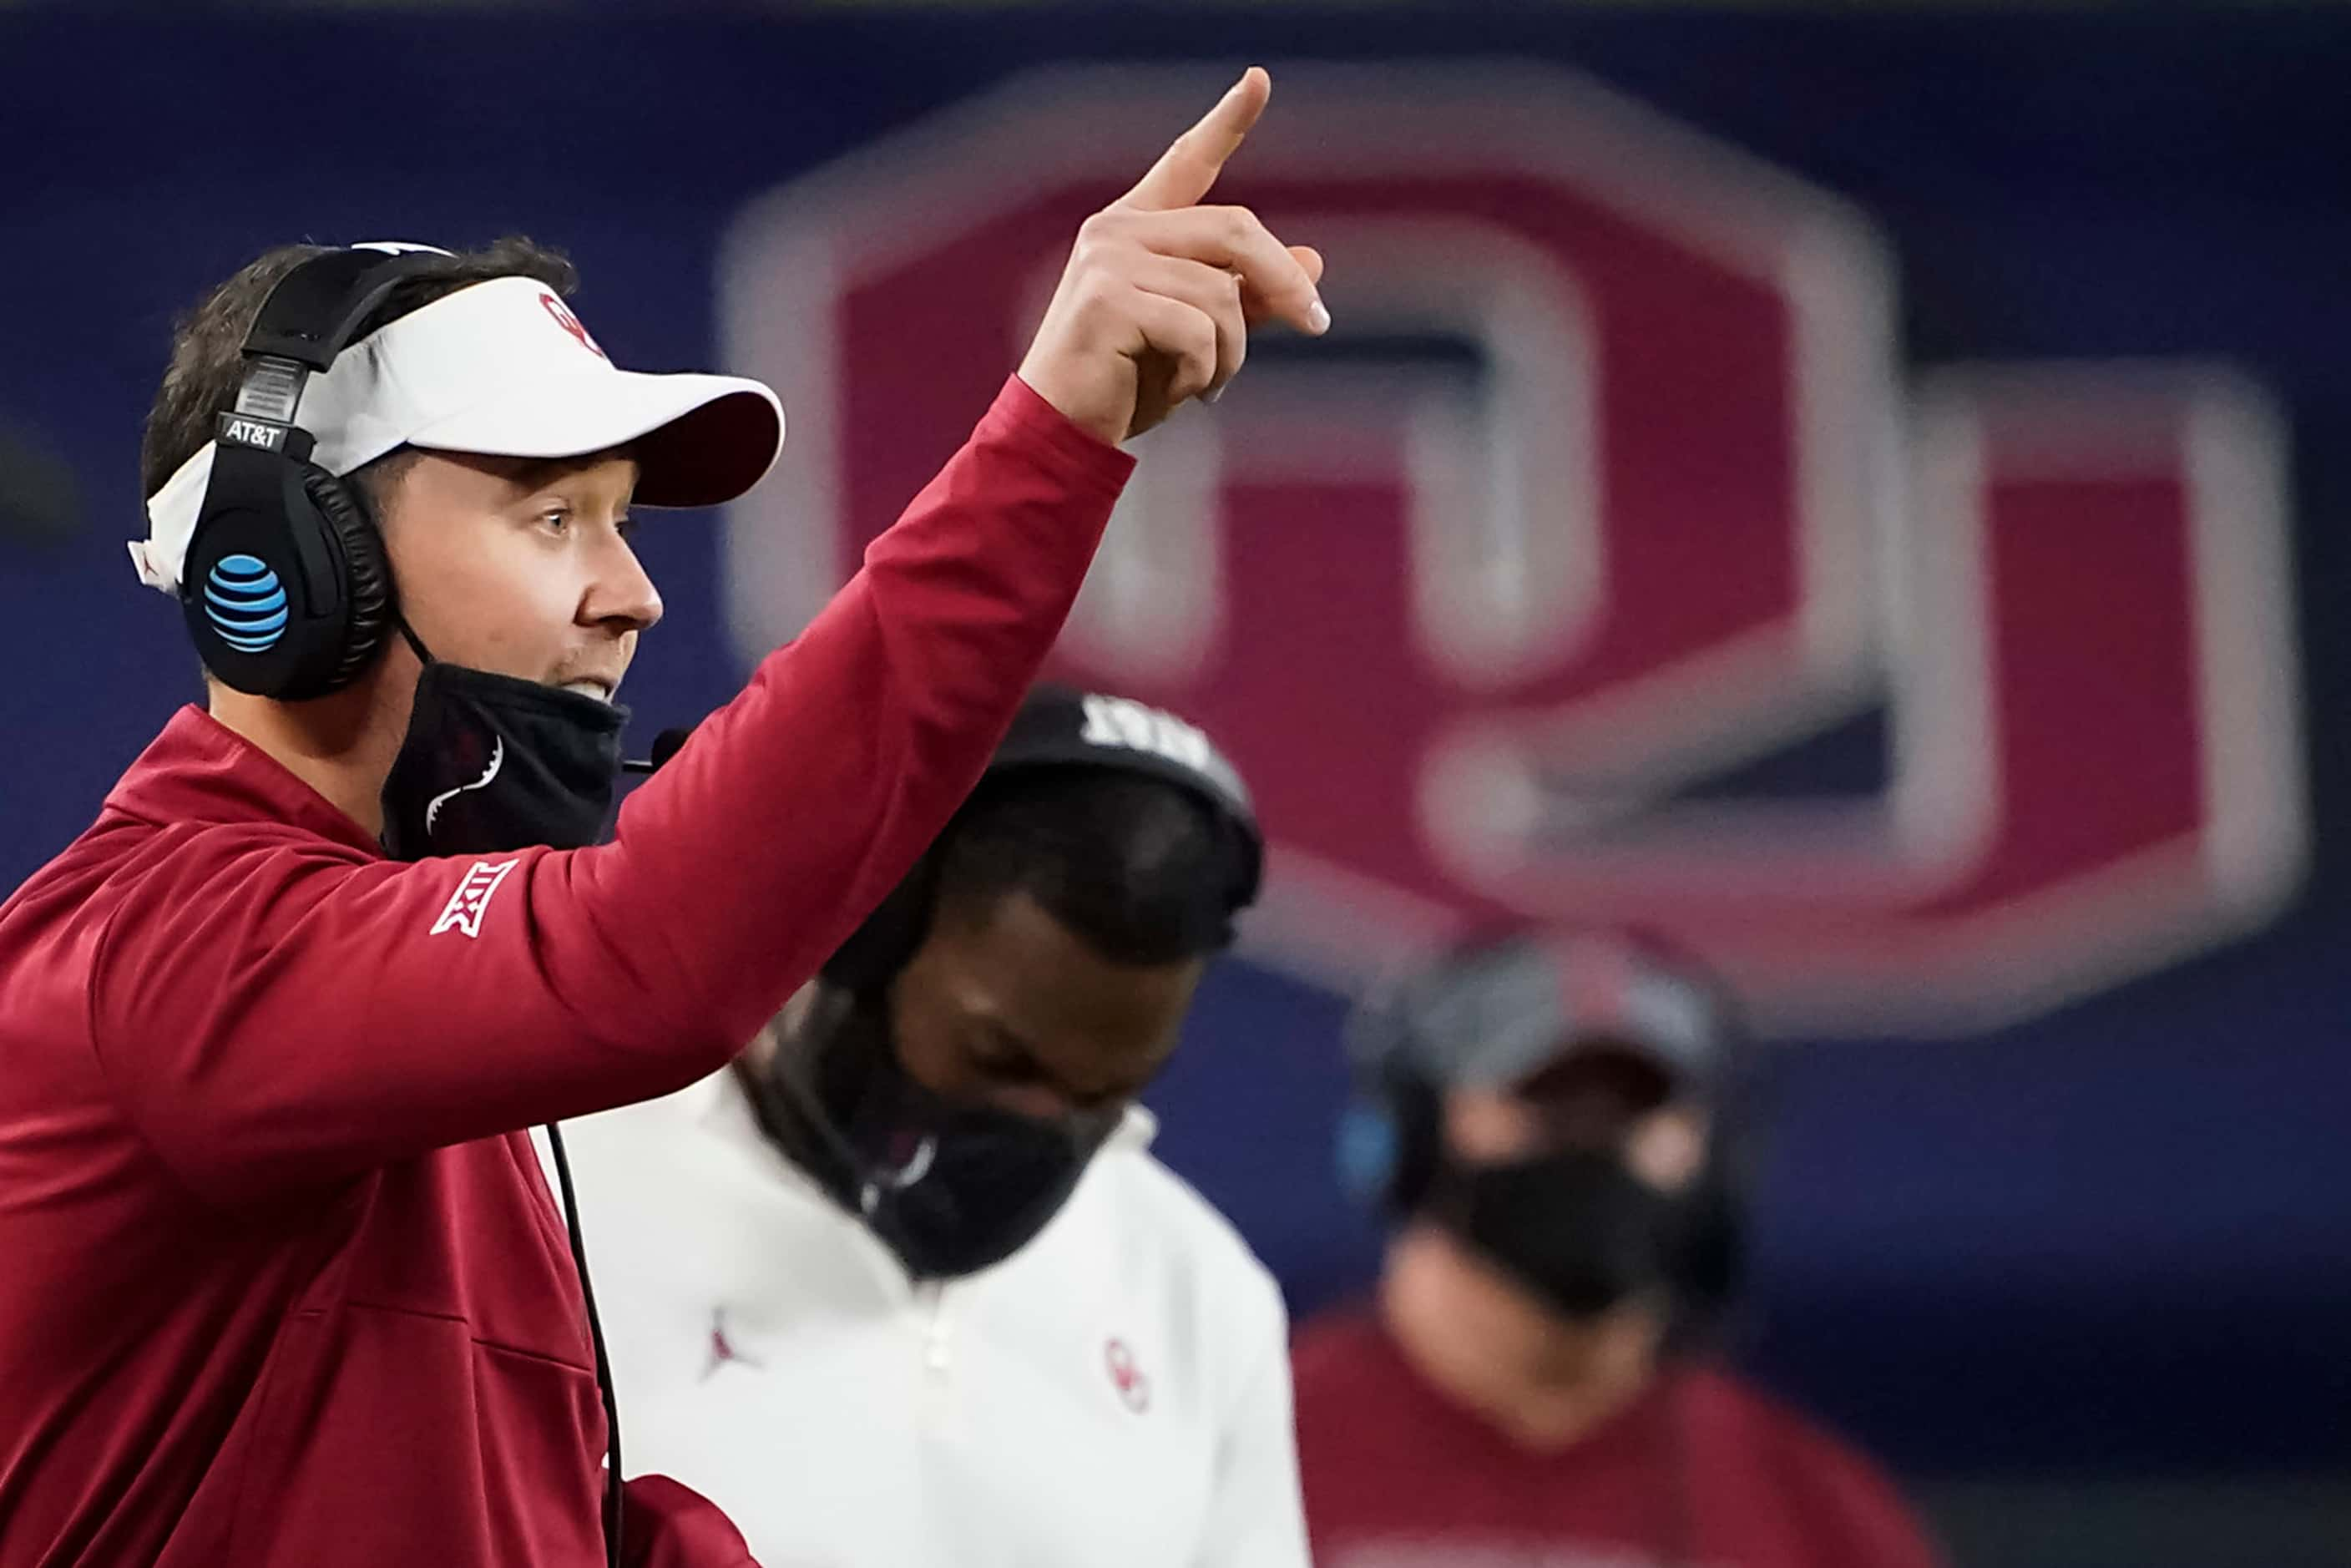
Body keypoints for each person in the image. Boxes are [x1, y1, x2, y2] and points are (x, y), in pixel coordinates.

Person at [0, 69, 1328, 1568]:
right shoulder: (165, 949)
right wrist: (1054, 434)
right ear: (292, 572)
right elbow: (653, 952)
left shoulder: (409, 1067)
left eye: (623, 518)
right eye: (549, 512)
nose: (630, 594)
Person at [559, 685, 1309, 1568]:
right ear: (857, 930)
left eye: (1103, 1096)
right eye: (1000, 1059)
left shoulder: (1198, 1288)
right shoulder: (549, 1181)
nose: (1044, 1125)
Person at [1292, 931, 1944, 1568]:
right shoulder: (1249, 1443)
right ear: (1414, 1138)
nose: (1596, 1147)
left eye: (1635, 1113)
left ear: (1712, 1161)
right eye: (1553, 1105)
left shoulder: (1815, 1508)